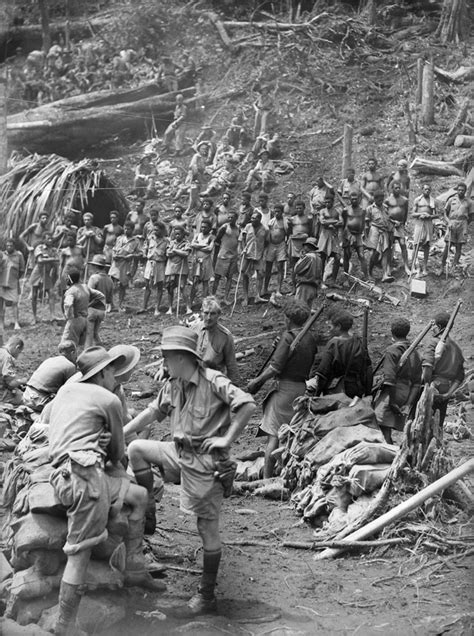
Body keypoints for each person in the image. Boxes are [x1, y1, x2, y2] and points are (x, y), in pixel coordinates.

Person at [124, 326, 256, 615]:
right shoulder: (175, 383)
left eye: (166, 358)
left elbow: (247, 404)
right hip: (178, 453)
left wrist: (227, 439)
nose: (163, 364)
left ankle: (206, 596)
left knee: (205, 528)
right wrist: (123, 433)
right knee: (137, 450)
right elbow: (153, 412)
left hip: (206, 463)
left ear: (183, 358)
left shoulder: (213, 381)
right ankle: (148, 508)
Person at [49, 346, 164, 635]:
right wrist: (105, 445)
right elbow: (116, 452)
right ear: (101, 373)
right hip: (84, 479)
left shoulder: (65, 391)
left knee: (138, 497)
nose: (116, 376)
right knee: (80, 555)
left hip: (61, 474)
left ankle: (136, 568)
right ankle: (65, 625)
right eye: (112, 370)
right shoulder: (109, 399)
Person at [248, 300, 318, 478]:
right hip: (301, 389)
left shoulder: (288, 337)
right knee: (291, 435)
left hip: (284, 389)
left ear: (288, 318)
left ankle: (267, 478)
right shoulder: (309, 338)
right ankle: (285, 473)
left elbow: (276, 368)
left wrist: (258, 381)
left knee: (274, 435)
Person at [373, 318, 422, 444]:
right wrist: (408, 404)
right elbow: (417, 383)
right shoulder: (415, 354)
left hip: (392, 393)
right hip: (407, 393)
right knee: (386, 431)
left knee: (382, 430)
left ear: (392, 332)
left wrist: (392, 403)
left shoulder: (392, 350)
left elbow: (389, 380)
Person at [306, 309, 373, 398]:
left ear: (338, 326)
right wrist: (368, 393)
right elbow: (368, 369)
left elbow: (323, 373)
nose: (329, 330)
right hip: (356, 390)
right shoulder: (359, 342)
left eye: (330, 327)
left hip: (336, 391)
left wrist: (317, 395)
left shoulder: (334, 344)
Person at [421, 311, 465, 428]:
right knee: (437, 426)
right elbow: (460, 376)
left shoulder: (433, 343)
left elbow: (427, 367)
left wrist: (426, 386)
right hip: (446, 390)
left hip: (432, 387)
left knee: (422, 424)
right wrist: (448, 394)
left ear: (439, 327)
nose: (431, 329)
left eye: (433, 326)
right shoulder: (457, 348)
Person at [193, 296, 239, 384]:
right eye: (206, 313)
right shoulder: (194, 330)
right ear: (201, 312)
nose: (209, 317)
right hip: (195, 381)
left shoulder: (225, 336)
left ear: (219, 315)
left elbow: (232, 366)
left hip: (214, 383)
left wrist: (234, 390)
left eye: (213, 314)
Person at [23, 340, 77, 411]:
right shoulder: (70, 366)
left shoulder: (49, 360)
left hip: (26, 395)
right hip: (39, 401)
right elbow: (70, 391)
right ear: (73, 353)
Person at [61, 269, 104, 347]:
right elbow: (100, 295)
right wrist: (90, 304)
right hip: (85, 320)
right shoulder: (85, 287)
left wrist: (69, 317)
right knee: (80, 345)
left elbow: (68, 304)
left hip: (75, 320)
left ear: (70, 279)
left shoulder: (71, 291)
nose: (66, 280)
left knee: (66, 345)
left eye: (67, 278)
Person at [439, 182, 473, 275]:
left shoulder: (469, 202)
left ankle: (453, 267)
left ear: (465, 191)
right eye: (459, 190)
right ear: (457, 190)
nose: (460, 192)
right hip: (452, 223)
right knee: (447, 246)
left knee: (459, 247)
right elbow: (445, 212)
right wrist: (448, 222)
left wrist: (465, 224)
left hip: (463, 224)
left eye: (462, 190)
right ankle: (442, 267)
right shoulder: (451, 199)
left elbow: (471, 216)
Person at [109, 220, 142, 310]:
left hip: (126, 264)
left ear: (132, 230)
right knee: (112, 284)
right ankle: (110, 304)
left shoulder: (136, 241)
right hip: (116, 264)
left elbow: (140, 254)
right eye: (125, 229)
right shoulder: (119, 238)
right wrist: (114, 255)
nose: (126, 230)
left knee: (122, 286)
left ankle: (120, 304)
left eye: (128, 229)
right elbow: (114, 249)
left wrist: (132, 255)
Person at [29, 232, 59, 323]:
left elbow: (57, 262)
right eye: (48, 238)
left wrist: (54, 261)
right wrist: (52, 259)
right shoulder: (39, 248)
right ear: (44, 240)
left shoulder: (53, 250)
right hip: (37, 272)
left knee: (51, 293)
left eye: (51, 238)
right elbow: (40, 260)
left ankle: (52, 316)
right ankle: (34, 317)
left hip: (46, 273)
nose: (50, 240)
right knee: (34, 295)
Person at [365, 190, 393, 282]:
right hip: (374, 231)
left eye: (382, 200)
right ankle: (369, 272)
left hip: (384, 231)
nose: (381, 202)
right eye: (379, 200)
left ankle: (384, 275)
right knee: (374, 254)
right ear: (375, 199)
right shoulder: (370, 208)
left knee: (385, 252)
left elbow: (388, 220)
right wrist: (366, 236)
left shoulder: (385, 208)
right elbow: (366, 223)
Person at [142, 220, 169, 315]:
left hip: (160, 264)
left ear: (162, 230)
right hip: (150, 263)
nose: (155, 232)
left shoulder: (166, 241)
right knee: (147, 285)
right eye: (154, 230)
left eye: (157, 230)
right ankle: (144, 307)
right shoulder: (150, 238)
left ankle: (157, 308)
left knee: (160, 287)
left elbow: (168, 254)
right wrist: (145, 254)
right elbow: (144, 248)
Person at [212, 210, 240, 304]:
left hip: (233, 256)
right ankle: (213, 297)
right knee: (217, 277)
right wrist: (219, 252)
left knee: (229, 277)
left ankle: (225, 298)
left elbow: (238, 240)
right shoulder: (224, 227)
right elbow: (217, 240)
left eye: (232, 217)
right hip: (223, 255)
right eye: (229, 217)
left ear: (236, 218)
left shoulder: (238, 228)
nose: (230, 219)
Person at [241, 211, 268, 306]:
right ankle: (245, 297)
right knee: (245, 274)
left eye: (254, 218)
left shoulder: (264, 229)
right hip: (248, 253)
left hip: (258, 255)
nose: (252, 220)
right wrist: (244, 248)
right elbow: (243, 239)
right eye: (251, 218)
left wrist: (264, 253)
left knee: (260, 274)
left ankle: (257, 295)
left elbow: (267, 242)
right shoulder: (248, 227)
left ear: (259, 219)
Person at [86, 255, 113, 347]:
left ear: (96, 266)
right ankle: (100, 347)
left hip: (92, 308)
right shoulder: (109, 280)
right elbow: (109, 299)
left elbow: (88, 294)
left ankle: (89, 352)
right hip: (102, 310)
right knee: (95, 333)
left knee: (89, 334)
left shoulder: (94, 278)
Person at [384, 181, 411, 276]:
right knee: (389, 246)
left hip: (400, 226)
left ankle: (406, 266)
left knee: (403, 245)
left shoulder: (404, 200)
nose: (397, 189)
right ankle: (388, 267)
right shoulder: (388, 200)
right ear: (392, 189)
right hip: (391, 225)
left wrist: (402, 223)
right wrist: (392, 222)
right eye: (395, 188)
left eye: (399, 188)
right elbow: (385, 214)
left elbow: (406, 213)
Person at [317, 193, 343, 285]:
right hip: (324, 236)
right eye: (326, 202)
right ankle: (320, 281)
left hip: (333, 236)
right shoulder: (322, 211)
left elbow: (341, 222)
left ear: (333, 202)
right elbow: (322, 222)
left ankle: (333, 281)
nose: (327, 204)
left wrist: (331, 223)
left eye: (329, 202)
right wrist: (333, 222)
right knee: (322, 257)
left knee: (337, 257)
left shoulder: (337, 211)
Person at [0, 239, 25, 332]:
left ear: (14, 246)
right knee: (1, 304)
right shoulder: (2, 255)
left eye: (11, 245)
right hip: (1, 282)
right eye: (7, 245)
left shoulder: (19, 255)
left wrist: (16, 278)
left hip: (13, 282)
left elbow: (22, 269)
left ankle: (16, 322)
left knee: (15, 302)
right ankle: (1, 323)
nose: (9, 247)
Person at [165, 226, 191, 315]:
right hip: (171, 268)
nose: (177, 236)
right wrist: (178, 251)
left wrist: (175, 250)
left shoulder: (186, 243)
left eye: (179, 234)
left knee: (182, 287)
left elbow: (186, 253)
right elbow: (168, 253)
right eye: (175, 234)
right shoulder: (171, 242)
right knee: (170, 288)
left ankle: (188, 307)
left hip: (182, 269)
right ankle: (170, 308)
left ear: (183, 234)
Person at [411, 184, 436, 276]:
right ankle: (413, 266)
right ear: (422, 190)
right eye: (425, 189)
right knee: (416, 244)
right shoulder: (417, 200)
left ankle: (425, 267)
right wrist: (420, 214)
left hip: (428, 223)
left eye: (429, 189)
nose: (427, 191)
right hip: (419, 223)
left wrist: (430, 216)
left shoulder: (433, 201)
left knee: (427, 245)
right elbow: (413, 214)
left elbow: (436, 215)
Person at [264, 204, 289, 295]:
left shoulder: (285, 222)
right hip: (271, 245)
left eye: (278, 211)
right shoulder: (271, 222)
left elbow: (288, 233)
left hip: (281, 245)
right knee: (268, 267)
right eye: (275, 211)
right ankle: (265, 288)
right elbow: (268, 234)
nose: (276, 213)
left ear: (282, 212)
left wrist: (286, 245)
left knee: (280, 267)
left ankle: (278, 289)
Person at [189, 219, 214, 307]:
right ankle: (190, 302)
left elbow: (210, 249)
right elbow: (192, 244)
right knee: (195, 282)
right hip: (197, 261)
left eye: (205, 227)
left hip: (206, 261)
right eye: (202, 227)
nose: (203, 229)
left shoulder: (211, 237)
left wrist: (198, 246)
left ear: (209, 228)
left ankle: (204, 304)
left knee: (205, 283)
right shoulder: (197, 235)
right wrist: (203, 246)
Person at [342, 192, 367, 277]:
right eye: (352, 199)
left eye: (356, 199)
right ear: (350, 200)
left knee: (361, 255)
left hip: (359, 235)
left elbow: (363, 223)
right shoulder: (346, 210)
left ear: (359, 199)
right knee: (347, 256)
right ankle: (346, 278)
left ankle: (367, 277)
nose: (354, 200)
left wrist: (362, 234)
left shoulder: (362, 210)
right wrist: (345, 237)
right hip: (348, 235)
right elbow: (344, 223)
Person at [288, 200, 312, 289]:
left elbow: (311, 230)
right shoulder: (292, 219)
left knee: (305, 265)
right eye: (297, 208)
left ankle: (304, 288)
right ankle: (294, 288)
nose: (298, 210)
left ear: (304, 208)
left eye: (300, 208)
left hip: (304, 244)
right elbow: (289, 232)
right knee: (294, 266)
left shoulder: (308, 218)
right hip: (294, 244)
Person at [294, 237, 323, 309]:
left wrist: (301, 258)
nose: (304, 247)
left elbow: (297, 269)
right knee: (307, 311)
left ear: (308, 247)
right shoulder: (319, 259)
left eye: (305, 246)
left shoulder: (308, 257)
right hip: (314, 288)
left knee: (299, 310)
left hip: (304, 287)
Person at [0, 336, 26, 405]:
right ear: (17, 347)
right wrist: (23, 381)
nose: (18, 355)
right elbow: (11, 383)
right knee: (24, 398)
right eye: (19, 352)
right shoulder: (7, 357)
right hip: (1, 394)